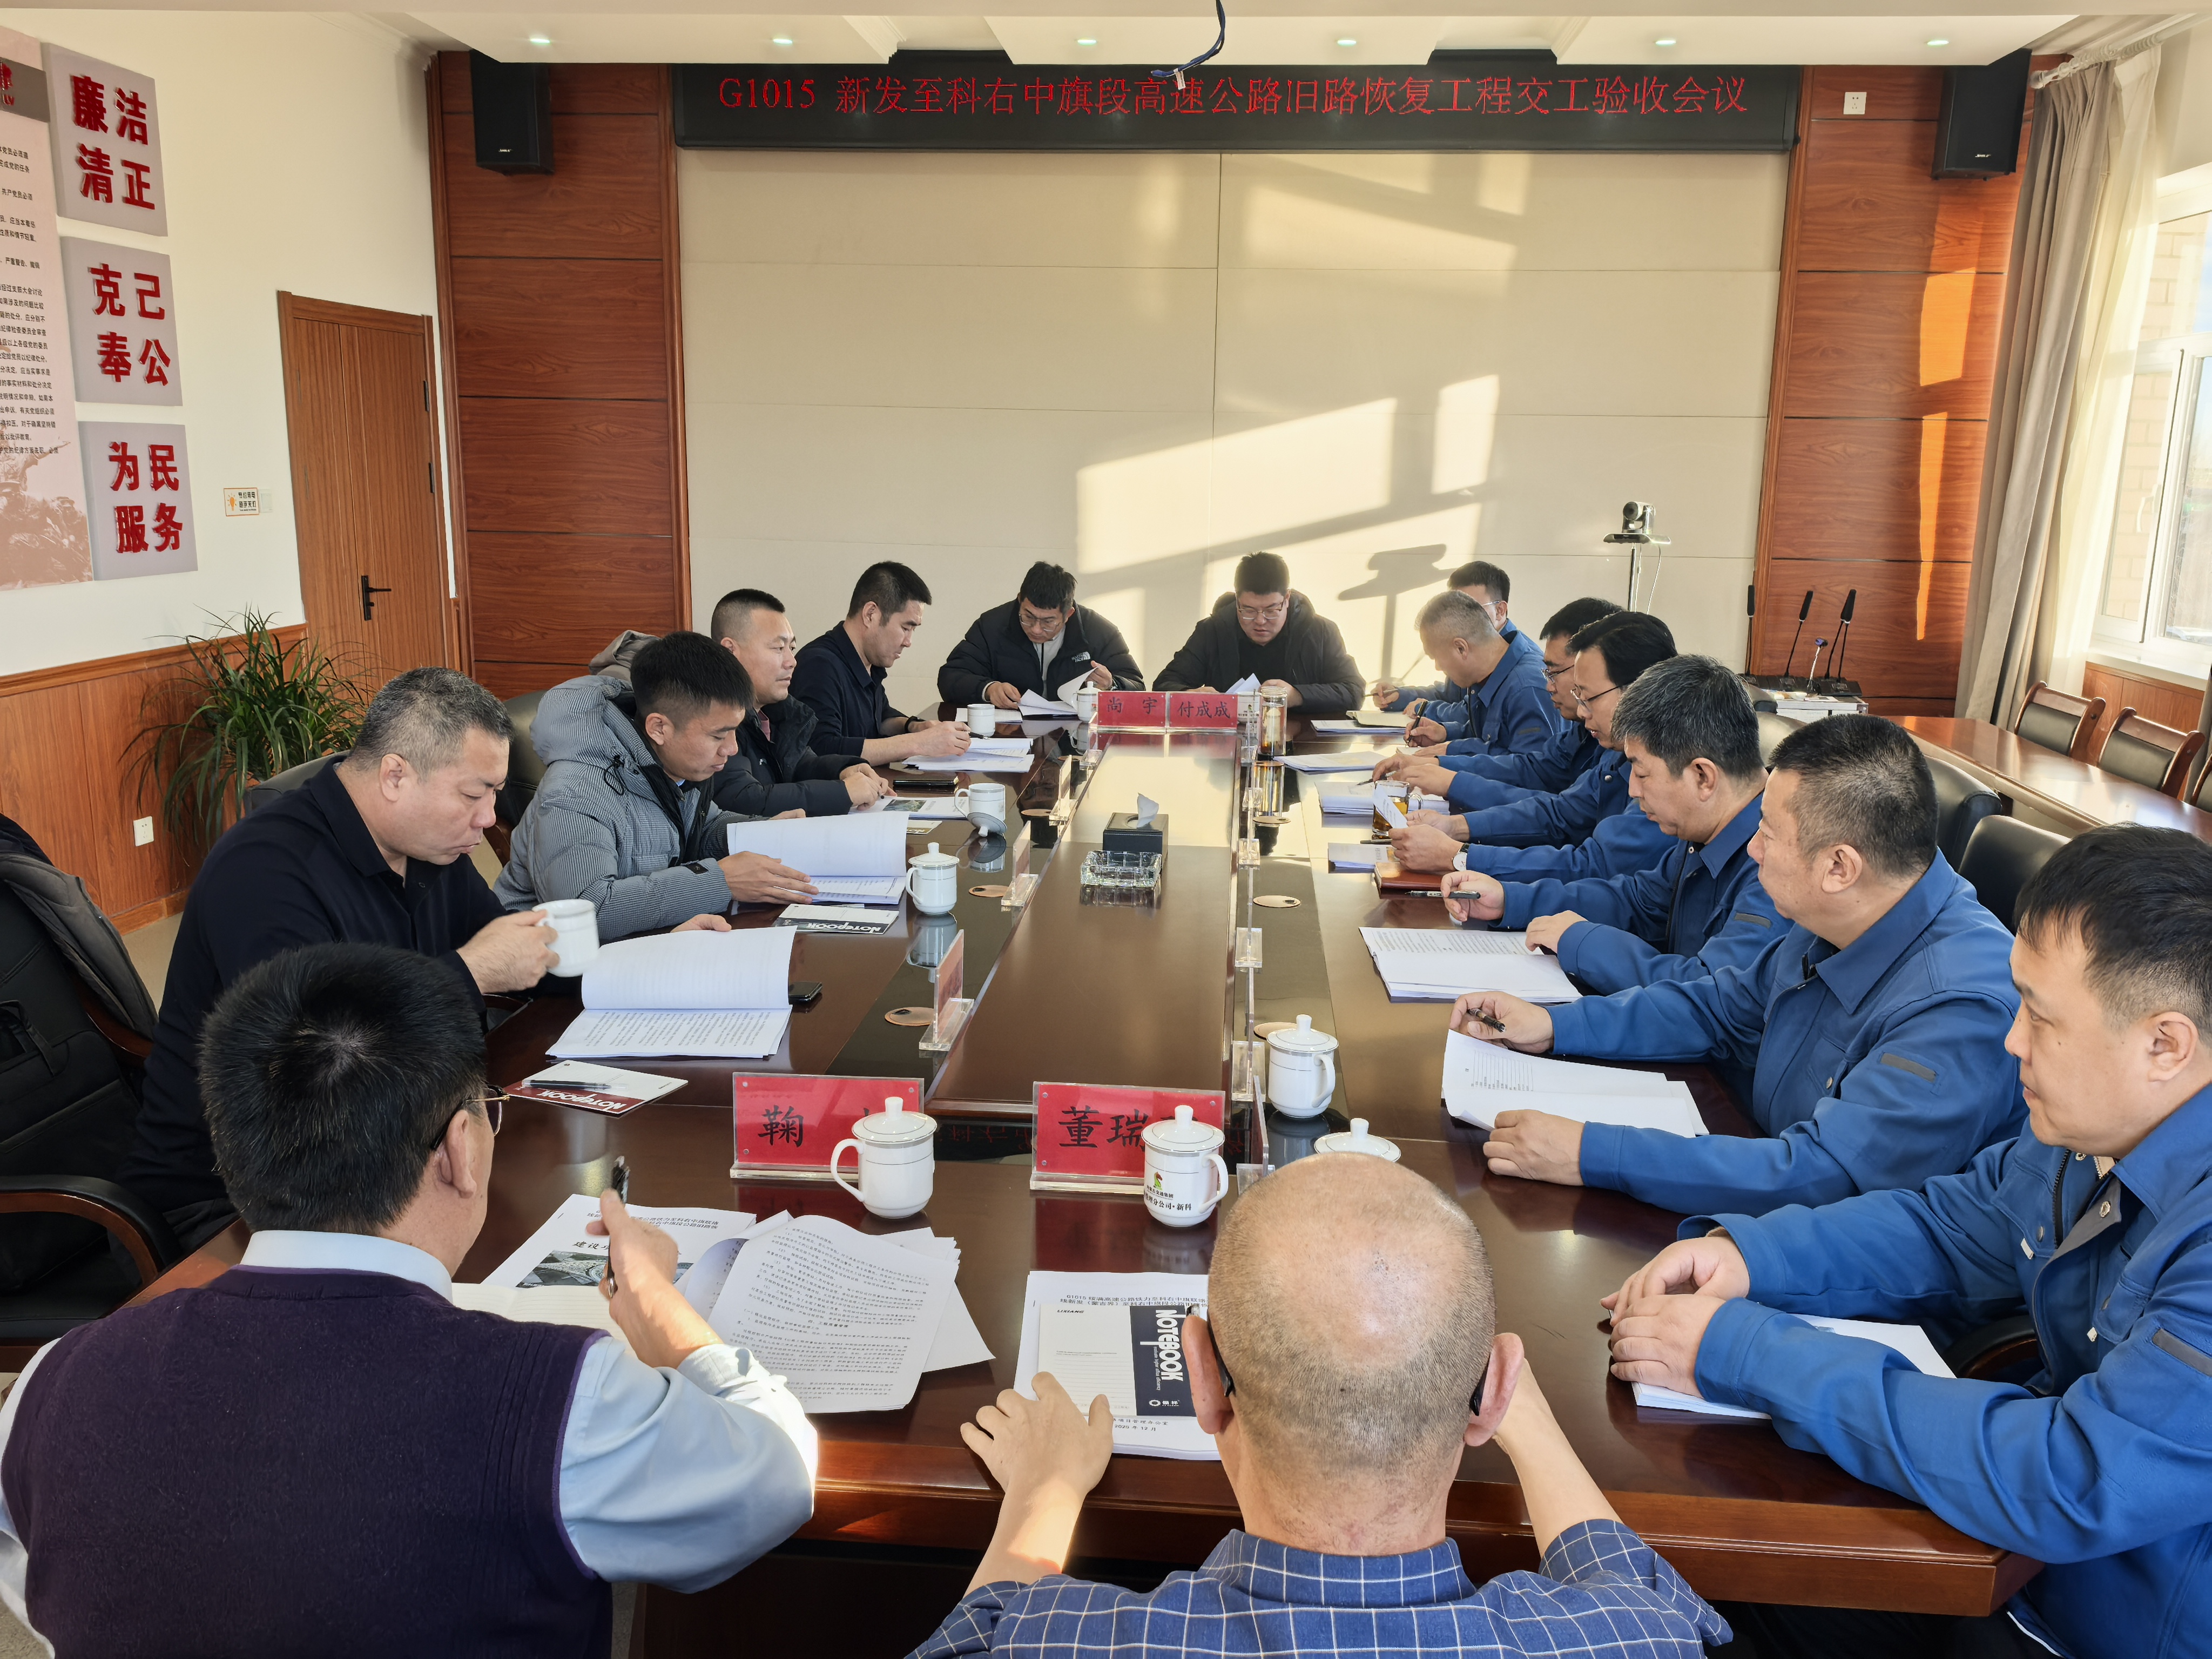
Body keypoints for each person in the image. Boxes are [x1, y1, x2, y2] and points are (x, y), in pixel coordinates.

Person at [0, 942, 817, 1654]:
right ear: (461, 1149)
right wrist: (656, 1303)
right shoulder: (562, 1402)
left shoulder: (51, 1383)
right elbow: (776, 1477)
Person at [1604, 827, 2212, 1659]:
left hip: (2100, 1623)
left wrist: (1748, 1354)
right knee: (1680, 1586)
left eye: (2040, 1017)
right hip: (2013, 1560)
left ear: (2165, 1045)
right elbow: (1955, 1224)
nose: (2013, 1041)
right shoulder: (2098, 1122)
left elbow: (2072, 1477)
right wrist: (1753, 1258)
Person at [908, 1152, 1727, 1658]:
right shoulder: (1632, 1641)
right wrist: (1524, 1419)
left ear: (1202, 1380)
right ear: (1495, 1392)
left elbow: (976, 1632)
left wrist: (1043, 1495)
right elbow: (1640, 1594)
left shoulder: (1057, 1640)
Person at [1453, 715, 2023, 1219]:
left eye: (1768, 836)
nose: (1752, 850)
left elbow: (1823, 1174)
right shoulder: (1843, 910)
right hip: (1759, 1171)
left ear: (1839, 867)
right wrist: (1554, 1026)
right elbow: (1718, 1007)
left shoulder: (1960, 1004)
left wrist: (1593, 1153)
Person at [114, 667, 558, 1245]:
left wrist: (630, 964)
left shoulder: (432, 845)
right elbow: (319, 1072)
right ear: (395, 775)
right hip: (247, 1198)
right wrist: (471, 972)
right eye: (474, 795)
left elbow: (514, 958)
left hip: (393, 1152)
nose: (489, 819)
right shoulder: (263, 871)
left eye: (495, 793)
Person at [1441, 655, 1779, 995]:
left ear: (1703, 777)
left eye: (1642, 773)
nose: (1632, 790)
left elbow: (1711, 991)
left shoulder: (1777, 862)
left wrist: (1582, 942)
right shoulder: (1703, 829)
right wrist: (1510, 900)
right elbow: (1637, 902)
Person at [498, 631, 821, 935]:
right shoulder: (574, 791)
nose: (732, 749)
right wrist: (720, 882)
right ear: (659, 729)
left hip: (646, 942)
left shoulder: (670, 764)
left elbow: (702, 828)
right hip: (547, 963)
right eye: (718, 735)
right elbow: (587, 912)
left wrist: (762, 833)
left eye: (735, 730)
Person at [1388, 613, 1676, 881]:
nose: (1582, 710)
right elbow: (1558, 810)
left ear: (1637, 690)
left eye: (1587, 696)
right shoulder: (1616, 753)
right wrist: (1456, 825)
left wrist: (1460, 855)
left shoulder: (1668, 773)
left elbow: (1596, 866)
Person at [1388, 597, 1620, 811]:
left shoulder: (1527, 688)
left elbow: (1540, 795)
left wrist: (1451, 777)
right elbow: (1529, 766)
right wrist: (1445, 750)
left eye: (1555, 673)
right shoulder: (1489, 678)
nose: (1549, 686)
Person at [709, 588, 892, 816]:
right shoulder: (713, 716)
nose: (792, 661)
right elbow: (743, 798)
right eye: (779, 648)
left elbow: (802, 765)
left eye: (792, 648)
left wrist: (845, 769)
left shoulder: (777, 712)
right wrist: (842, 793)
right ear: (730, 651)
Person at [791, 562, 972, 763]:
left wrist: (915, 726)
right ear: (871, 615)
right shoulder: (819, 666)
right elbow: (822, 749)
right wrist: (919, 743)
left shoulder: (869, 661)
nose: (908, 642)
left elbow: (880, 719)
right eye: (906, 628)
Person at [1152, 552, 1363, 716]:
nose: (1260, 621)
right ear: (1237, 600)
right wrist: (1191, 696)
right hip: (1228, 748)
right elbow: (1164, 685)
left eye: (1271, 610)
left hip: (1303, 747)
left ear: (1287, 599)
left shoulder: (1321, 632)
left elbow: (1353, 691)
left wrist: (1297, 695)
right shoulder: (1213, 631)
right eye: (1249, 610)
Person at [1387, 589, 1561, 768]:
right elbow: (1493, 737)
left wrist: (1451, 754)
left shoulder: (1527, 689)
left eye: (1436, 658)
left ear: (1461, 648)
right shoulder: (1489, 673)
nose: (1438, 667)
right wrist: (1446, 733)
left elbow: (1530, 770)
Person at [938, 561, 1144, 710]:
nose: (1036, 629)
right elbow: (951, 677)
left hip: (1075, 739)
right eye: (1028, 617)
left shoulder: (1098, 632)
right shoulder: (992, 626)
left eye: (1048, 622)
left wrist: (1112, 685)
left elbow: (1138, 688)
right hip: (1010, 736)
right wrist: (989, 689)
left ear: (1068, 614)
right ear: (1020, 600)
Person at [1371, 561, 1538, 743]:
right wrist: (1401, 696)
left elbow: (1471, 715)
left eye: (1470, 607)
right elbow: (1451, 697)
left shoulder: (1526, 680)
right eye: (1454, 606)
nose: (1459, 615)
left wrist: (1427, 711)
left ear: (1500, 611)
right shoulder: (1475, 653)